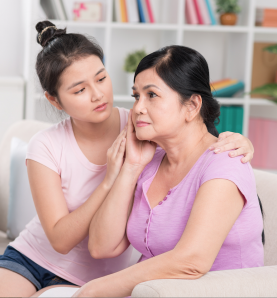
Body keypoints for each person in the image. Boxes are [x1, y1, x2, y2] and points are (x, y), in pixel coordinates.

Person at [0, 21, 255, 297]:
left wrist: (240, 141)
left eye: (102, 78)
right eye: (80, 90)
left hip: (98, 278)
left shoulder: (142, 127)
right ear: (54, 100)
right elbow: (65, 239)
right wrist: (112, 178)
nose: (97, 94)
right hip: (32, 256)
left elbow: (194, 134)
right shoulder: (49, 144)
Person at [68, 45, 262, 297]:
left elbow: (192, 261)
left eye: (152, 95)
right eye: (137, 95)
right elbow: (101, 246)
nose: (137, 108)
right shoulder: (151, 160)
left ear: (192, 106)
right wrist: (131, 167)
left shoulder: (225, 161)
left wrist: (96, 289)